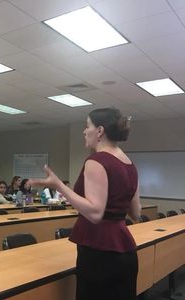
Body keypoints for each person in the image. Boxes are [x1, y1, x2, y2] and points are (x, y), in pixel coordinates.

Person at [29, 108, 141, 300]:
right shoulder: (129, 164)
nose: (84, 131)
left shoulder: (96, 161)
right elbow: (136, 213)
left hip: (99, 252)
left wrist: (58, 185)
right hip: (125, 252)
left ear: (99, 131)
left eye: (87, 125)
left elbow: (95, 213)